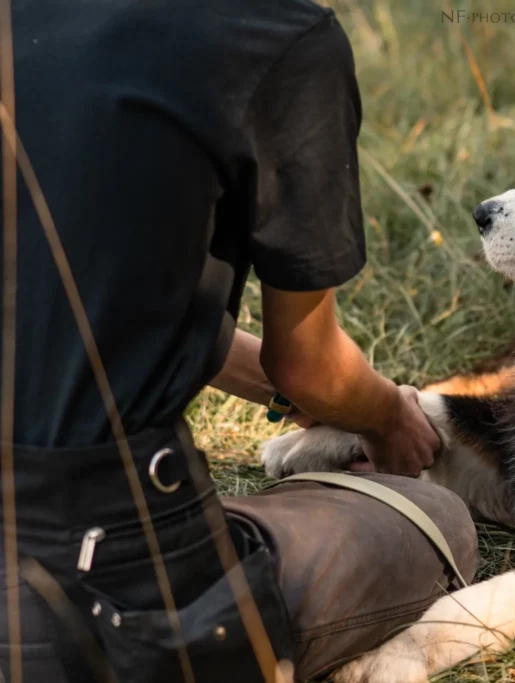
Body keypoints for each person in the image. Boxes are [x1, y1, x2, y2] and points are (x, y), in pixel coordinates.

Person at [1, 1, 477, 681]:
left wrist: (286, 395)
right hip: (106, 570)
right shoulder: (275, 36)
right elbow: (310, 365)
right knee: (434, 517)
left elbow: (106, 296)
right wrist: (385, 414)